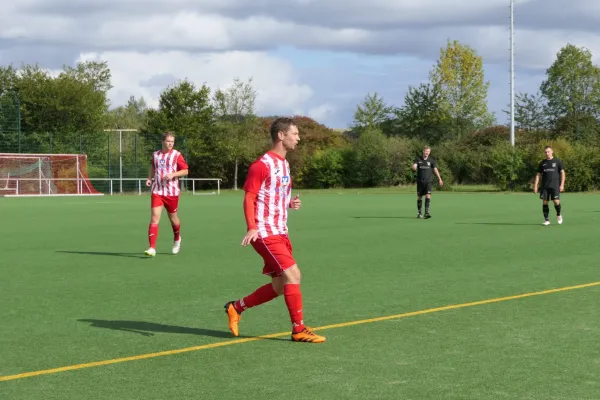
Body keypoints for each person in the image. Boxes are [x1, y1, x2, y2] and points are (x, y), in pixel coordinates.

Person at [224, 117, 326, 343]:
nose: (298, 138)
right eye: (295, 134)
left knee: (280, 285)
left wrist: (289, 203)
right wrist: (252, 227)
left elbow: (273, 195)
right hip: (264, 233)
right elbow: (249, 197)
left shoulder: (285, 165)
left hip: (281, 231)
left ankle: (235, 307)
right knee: (293, 274)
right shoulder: (261, 165)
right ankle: (298, 330)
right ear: (281, 135)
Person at [144, 131, 189, 256]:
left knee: (173, 219)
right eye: (168, 141)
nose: (170, 144)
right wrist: (149, 178)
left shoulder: (176, 155)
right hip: (157, 191)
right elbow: (153, 167)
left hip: (172, 193)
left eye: (172, 142)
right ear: (162, 142)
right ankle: (152, 248)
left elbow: (185, 171)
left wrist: (173, 174)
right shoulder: (155, 155)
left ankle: (177, 239)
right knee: (154, 218)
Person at [533, 146, 565, 226]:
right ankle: (547, 220)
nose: (547, 153)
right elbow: (538, 174)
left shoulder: (557, 161)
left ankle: (558, 214)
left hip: (555, 186)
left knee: (556, 201)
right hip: (545, 186)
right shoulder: (543, 162)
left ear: (552, 152)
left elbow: (562, 173)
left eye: (548, 151)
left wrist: (562, 184)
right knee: (545, 202)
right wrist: (535, 185)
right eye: (545, 152)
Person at [412, 146, 443, 219]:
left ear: (429, 152)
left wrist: (440, 179)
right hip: (420, 181)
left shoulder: (431, 160)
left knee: (428, 195)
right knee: (419, 197)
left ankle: (426, 212)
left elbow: (435, 170)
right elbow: (415, 165)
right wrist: (414, 167)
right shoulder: (418, 159)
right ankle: (419, 213)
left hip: (428, 181)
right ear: (423, 151)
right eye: (426, 151)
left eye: (428, 152)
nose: (427, 153)